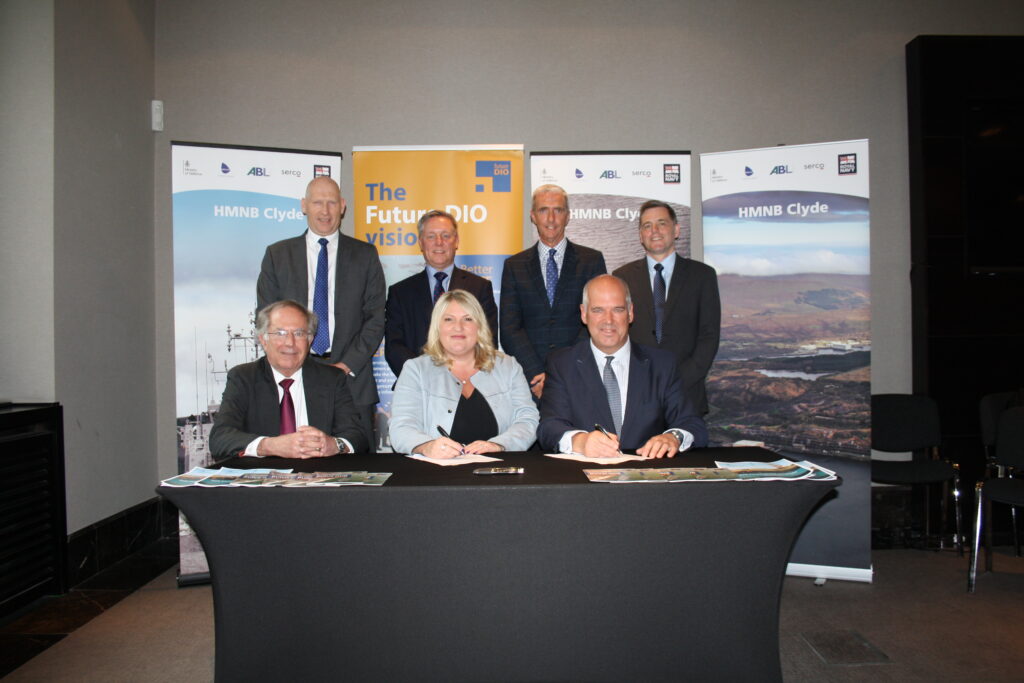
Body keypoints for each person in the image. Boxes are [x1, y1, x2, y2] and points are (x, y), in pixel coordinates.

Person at [257, 176, 385, 450]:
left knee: (358, 475)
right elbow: (266, 318)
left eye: (331, 202)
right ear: (304, 206)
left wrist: (346, 365)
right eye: (317, 202)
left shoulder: (365, 255)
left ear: (343, 206)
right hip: (295, 379)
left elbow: (375, 318)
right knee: (296, 468)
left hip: (352, 381)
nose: (325, 211)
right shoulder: (277, 255)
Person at [538, 275, 708, 458]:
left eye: (618, 309)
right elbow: (549, 427)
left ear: (631, 313)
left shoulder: (662, 364)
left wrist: (673, 437)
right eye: (598, 310)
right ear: (583, 314)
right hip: (584, 480)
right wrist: (581, 441)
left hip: (647, 479)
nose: (608, 320)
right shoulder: (562, 364)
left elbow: (692, 424)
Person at [209, 300, 368, 459]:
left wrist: (334, 445)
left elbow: (357, 436)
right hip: (264, 478)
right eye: (280, 333)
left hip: (318, 478)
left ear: (310, 340)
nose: (290, 343)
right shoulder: (243, 378)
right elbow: (220, 438)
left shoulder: (332, 378)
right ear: (263, 340)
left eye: (299, 334)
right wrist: (269, 446)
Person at [389, 289, 539, 457]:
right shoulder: (415, 370)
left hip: (500, 473)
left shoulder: (508, 366)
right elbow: (401, 428)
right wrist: (427, 446)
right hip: (435, 475)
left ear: (479, 326)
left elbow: (527, 420)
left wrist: (499, 445)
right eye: (448, 319)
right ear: (437, 327)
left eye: (467, 319)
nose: (458, 327)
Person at [613, 200, 720, 415]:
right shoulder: (622, 277)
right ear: (640, 235)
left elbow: (708, 336)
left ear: (676, 230)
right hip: (635, 395)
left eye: (662, 223)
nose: (654, 231)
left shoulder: (702, 276)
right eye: (647, 225)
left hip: (686, 394)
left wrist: (678, 380)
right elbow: (616, 335)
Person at [499, 184, 606, 399]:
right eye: (543, 210)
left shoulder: (591, 261)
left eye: (557, 210)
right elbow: (510, 328)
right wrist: (537, 373)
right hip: (529, 383)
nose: (550, 218)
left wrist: (560, 372)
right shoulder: (514, 265)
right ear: (532, 216)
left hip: (578, 377)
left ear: (567, 216)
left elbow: (597, 321)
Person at [384, 209, 498, 379]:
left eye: (446, 235)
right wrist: (424, 378)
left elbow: (487, 340)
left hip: (468, 385)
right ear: (421, 242)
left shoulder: (480, 288)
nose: (439, 242)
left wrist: (461, 377)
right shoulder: (400, 293)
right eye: (431, 236)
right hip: (418, 387)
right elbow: (394, 347)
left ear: (456, 241)